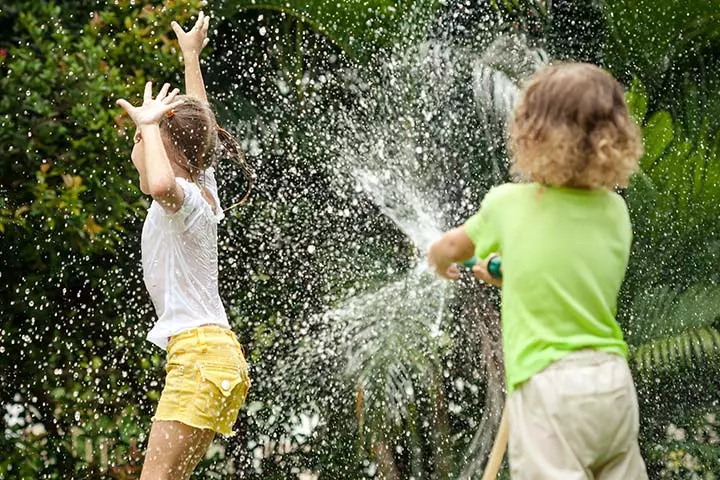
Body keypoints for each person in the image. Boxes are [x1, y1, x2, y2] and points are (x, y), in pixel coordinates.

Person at [427, 63, 648, 479]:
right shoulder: (616, 212)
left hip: (550, 390)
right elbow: (562, 271)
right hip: (612, 383)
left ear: (534, 136)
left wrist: (437, 257)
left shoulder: (508, 204)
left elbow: (453, 247)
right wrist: (506, 272)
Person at [116, 12, 252, 480]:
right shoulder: (202, 184)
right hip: (215, 357)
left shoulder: (184, 198)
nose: (137, 146)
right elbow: (203, 128)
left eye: (140, 140)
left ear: (165, 151)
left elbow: (158, 183)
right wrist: (191, 58)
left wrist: (150, 125)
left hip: (198, 357)